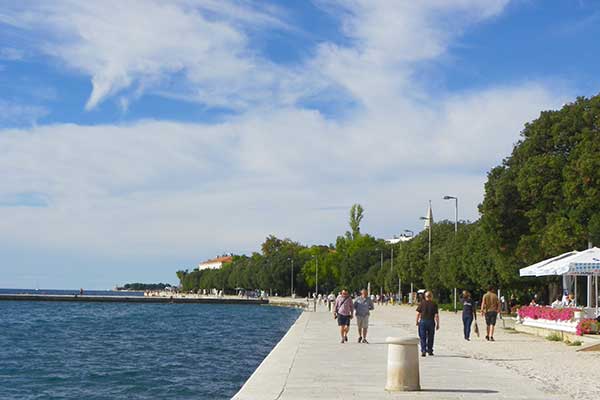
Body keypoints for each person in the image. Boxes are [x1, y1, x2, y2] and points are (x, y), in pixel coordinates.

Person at [416, 291, 439, 356]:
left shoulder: (422, 303)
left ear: (425, 297)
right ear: (431, 296)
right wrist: (438, 324)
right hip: (431, 321)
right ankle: (430, 350)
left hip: (423, 321)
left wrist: (417, 321)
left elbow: (418, 314)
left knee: (422, 337)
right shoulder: (434, 304)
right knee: (431, 336)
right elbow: (436, 315)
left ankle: (423, 350)